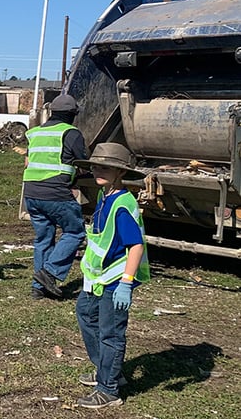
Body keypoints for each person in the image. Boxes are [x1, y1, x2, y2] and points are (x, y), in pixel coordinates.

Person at [72, 143, 149, 409]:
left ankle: (109, 389)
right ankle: (106, 370)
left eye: (106, 167)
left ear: (120, 172)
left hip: (116, 281)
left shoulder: (123, 204)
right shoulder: (106, 195)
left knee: (111, 334)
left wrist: (126, 283)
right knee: (85, 313)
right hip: (98, 278)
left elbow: (135, 245)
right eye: (95, 165)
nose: (98, 170)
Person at [23, 94, 88, 299]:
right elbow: (82, 162)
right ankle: (49, 272)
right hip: (56, 192)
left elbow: (28, 161)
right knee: (75, 232)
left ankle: (37, 288)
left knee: (44, 238)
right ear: (72, 115)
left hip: (32, 192)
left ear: (51, 111)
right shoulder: (70, 133)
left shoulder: (34, 133)